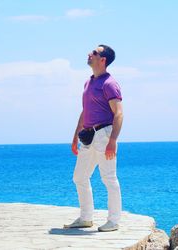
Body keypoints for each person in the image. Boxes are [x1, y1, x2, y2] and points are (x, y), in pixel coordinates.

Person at [64, 44, 123, 232]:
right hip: (88, 137)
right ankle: (86, 218)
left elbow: (119, 113)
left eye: (95, 53)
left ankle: (113, 221)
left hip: (104, 135)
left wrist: (112, 140)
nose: (90, 54)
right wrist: (75, 136)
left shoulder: (109, 83)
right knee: (79, 177)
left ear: (103, 60)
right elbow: (85, 112)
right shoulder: (88, 82)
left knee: (109, 178)